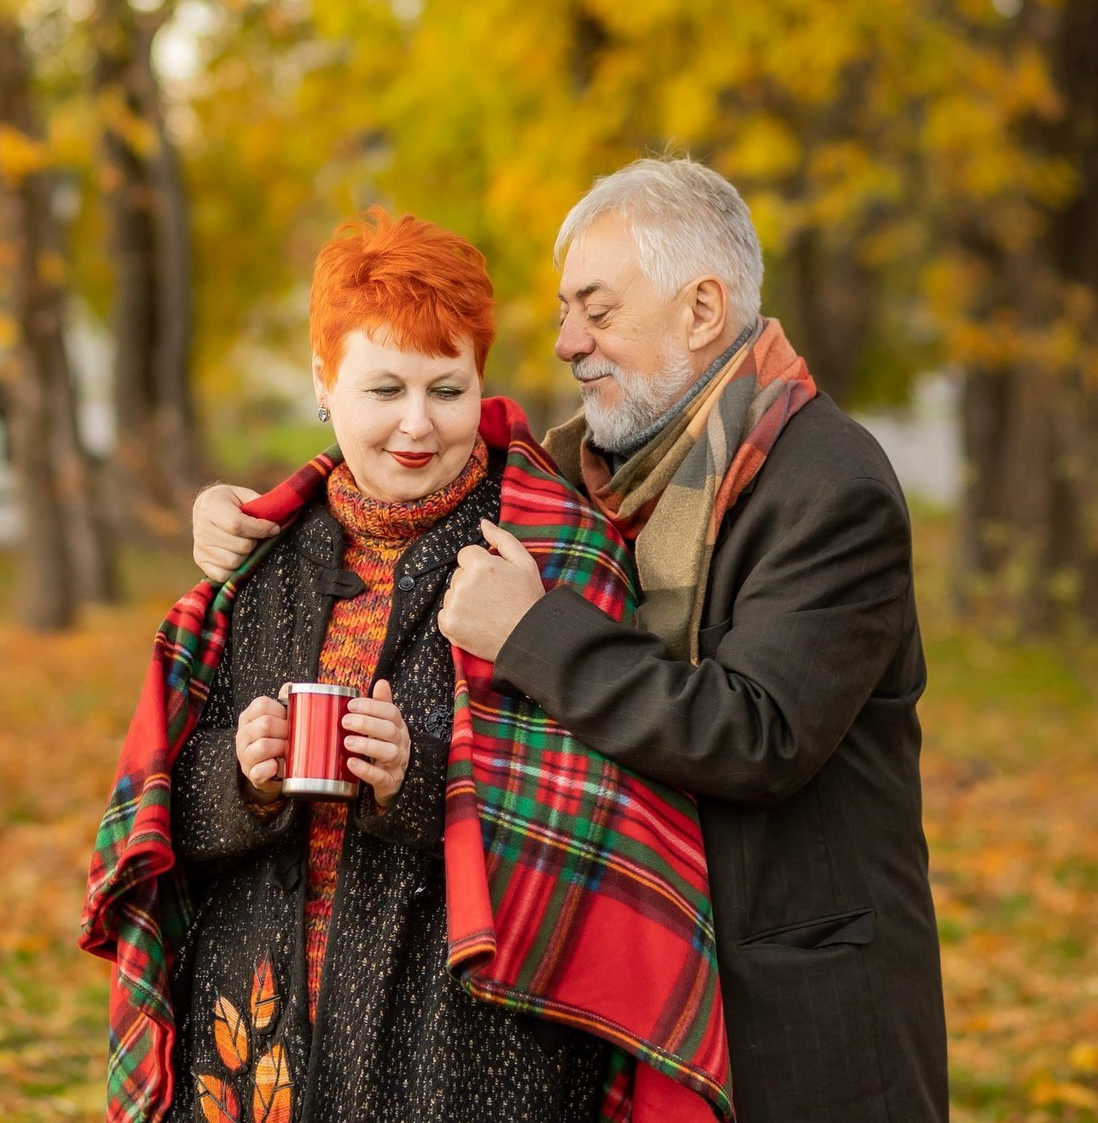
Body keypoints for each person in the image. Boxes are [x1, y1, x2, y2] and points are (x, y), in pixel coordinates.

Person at [190, 160, 949, 1123]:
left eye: (596, 310)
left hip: (793, 1000)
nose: (566, 343)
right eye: (561, 312)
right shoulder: (590, 475)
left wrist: (529, 629)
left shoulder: (828, 486)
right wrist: (240, 514)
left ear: (703, 309)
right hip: (630, 983)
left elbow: (760, 735)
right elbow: (395, 448)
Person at [82, 207, 733, 1123]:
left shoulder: (548, 555)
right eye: (384, 390)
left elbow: (600, 825)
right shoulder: (261, 562)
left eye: (448, 390)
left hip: (468, 1053)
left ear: (482, 383)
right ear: (325, 383)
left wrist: (416, 778)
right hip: (255, 1042)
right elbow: (158, 819)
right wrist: (243, 775)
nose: (417, 427)